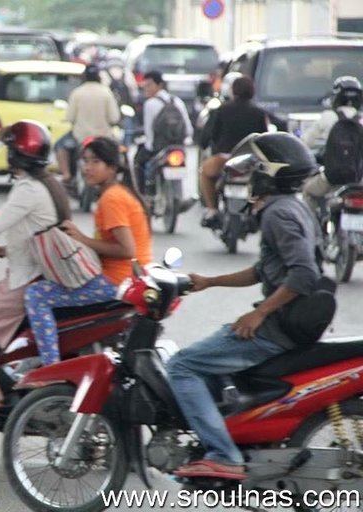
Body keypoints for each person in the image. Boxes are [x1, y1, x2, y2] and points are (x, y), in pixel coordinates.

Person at [168, 132, 321, 480]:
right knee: (210, 362)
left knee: (182, 367)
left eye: (256, 170)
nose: (251, 177)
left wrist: (261, 312)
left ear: (271, 174)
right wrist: (210, 282)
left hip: (275, 329)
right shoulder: (295, 206)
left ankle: (223, 454)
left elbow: (303, 274)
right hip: (286, 322)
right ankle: (229, 433)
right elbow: (264, 271)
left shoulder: (277, 214)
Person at [25, 136, 152, 365]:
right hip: (129, 279)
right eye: (84, 161)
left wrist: (82, 239)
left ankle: (51, 366)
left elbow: (126, 249)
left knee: (36, 295)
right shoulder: (118, 194)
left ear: (112, 167)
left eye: (95, 162)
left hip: (118, 282)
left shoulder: (112, 199)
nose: (87, 167)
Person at [0, 120, 67, 405]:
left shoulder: (28, 189)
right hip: (32, 273)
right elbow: (29, 234)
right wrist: (0, 251)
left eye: (9, 148)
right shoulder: (46, 184)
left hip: (26, 281)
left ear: (16, 153)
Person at [200, 75, 269, 228]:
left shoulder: (221, 110)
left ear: (233, 90)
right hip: (251, 161)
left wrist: (206, 145)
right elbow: (263, 138)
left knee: (205, 173)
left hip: (224, 159)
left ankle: (212, 210)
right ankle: (258, 208)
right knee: (266, 181)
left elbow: (208, 135)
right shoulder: (258, 113)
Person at [302, 76, 363, 213]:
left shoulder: (328, 117)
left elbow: (304, 143)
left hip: (331, 178)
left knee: (307, 190)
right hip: (358, 179)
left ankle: (313, 228)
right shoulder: (361, 120)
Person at [55, 64, 120, 182]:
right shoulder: (106, 92)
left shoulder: (77, 92)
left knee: (59, 146)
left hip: (80, 136)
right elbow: (114, 118)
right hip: (104, 136)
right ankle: (115, 177)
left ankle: (66, 174)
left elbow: (69, 117)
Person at [134, 70, 193, 193]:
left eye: (149, 85)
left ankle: (143, 196)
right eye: (144, 85)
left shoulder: (150, 104)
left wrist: (148, 147)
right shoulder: (177, 101)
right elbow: (188, 129)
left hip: (158, 149)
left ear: (159, 85)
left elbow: (149, 134)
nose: (146, 88)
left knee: (138, 162)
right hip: (178, 148)